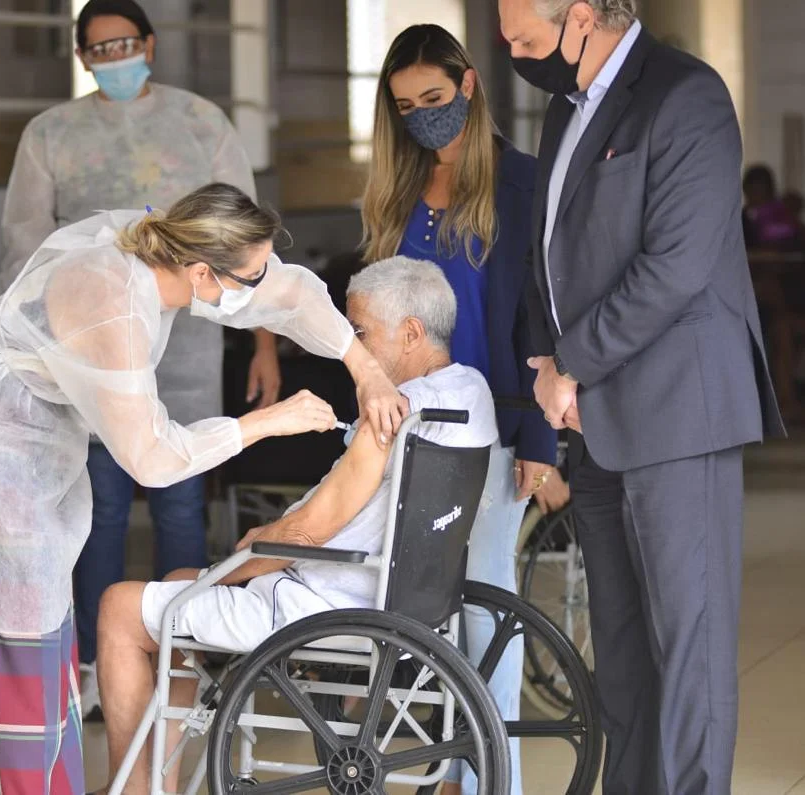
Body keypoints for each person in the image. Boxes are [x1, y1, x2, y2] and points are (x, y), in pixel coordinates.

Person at [0, 183, 406, 795]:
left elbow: (286, 294)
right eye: (249, 277)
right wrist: (265, 422)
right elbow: (152, 458)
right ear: (204, 273)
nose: (260, 288)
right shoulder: (111, 297)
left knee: (13, 641)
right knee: (5, 648)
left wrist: (364, 369)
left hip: (25, 452)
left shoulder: (167, 247)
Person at [498, 0, 784, 792]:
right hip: (591, 422)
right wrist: (546, 368)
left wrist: (572, 366)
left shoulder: (684, 95)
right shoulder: (565, 109)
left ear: (581, 15)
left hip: (675, 414)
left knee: (687, 651)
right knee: (621, 658)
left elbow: (675, 266)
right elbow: (548, 252)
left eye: (523, 36)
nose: (511, 50)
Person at [95, 256, 498, 795]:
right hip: (403, 600)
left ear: (411, 333)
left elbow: (308, 534)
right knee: (176, 584)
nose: (350, 346)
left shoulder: (393, 412)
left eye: (360, 331)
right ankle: (154, 785)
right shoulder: (470, 393)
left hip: (326, 601)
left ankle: (132, 790)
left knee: (120, 608)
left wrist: (235, 564)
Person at [0, 0, 282, 719]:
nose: (114, 58)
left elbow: (248, 246)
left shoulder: (201, 123)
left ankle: (182, 660)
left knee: (182, 504)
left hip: (186, 348)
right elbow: (24, 253)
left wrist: (266, 342)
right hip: (89, 355)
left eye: (125, 44)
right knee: (97, 511)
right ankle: (99, 664)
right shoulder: (51, 134)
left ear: (149, 46)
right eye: (99, 50)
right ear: (82, 57)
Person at [362, 24, 567, 794]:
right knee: (422, 610)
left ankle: (493, 780)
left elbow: (543, 318)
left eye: (436, 99)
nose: (423, 116)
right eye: (407, 105)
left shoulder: (523, 184)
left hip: (495, 427)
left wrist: (541, 438)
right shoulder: (396, 189)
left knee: (486, 603)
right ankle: (447, 768)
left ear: (470, 84)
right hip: (408, 428)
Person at [741, 164, 799, 248]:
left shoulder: (778, 209)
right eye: (751, 189)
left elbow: (791, 230)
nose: (754, 193)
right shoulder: (744, 214)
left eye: (758, 189)